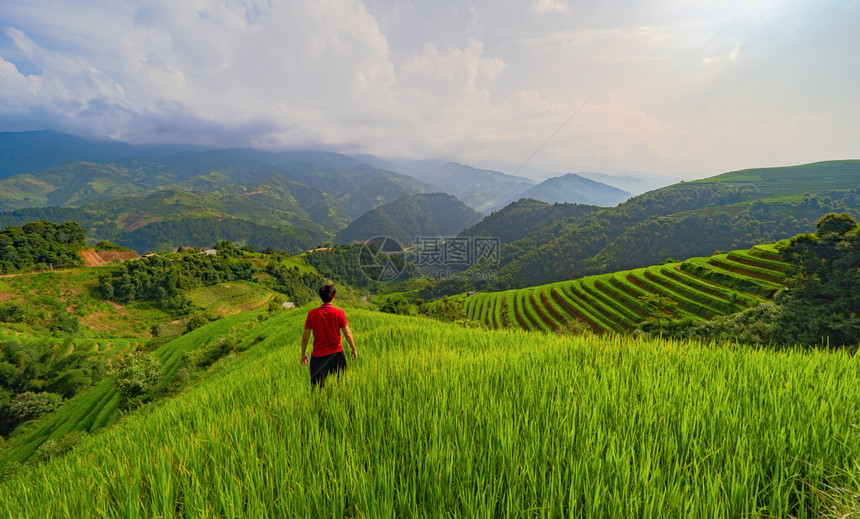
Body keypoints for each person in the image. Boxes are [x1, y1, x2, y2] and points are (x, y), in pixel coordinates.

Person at [301, 284, 358, 388]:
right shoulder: (339, 312)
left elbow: (305, 337)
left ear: (320, 297)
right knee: (341, 388)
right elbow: (348, 334)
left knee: (317, 392)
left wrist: (303, 353)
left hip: (318, 359)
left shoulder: (312, 314)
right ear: (334, 296)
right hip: (337, 356)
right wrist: (353, 348)